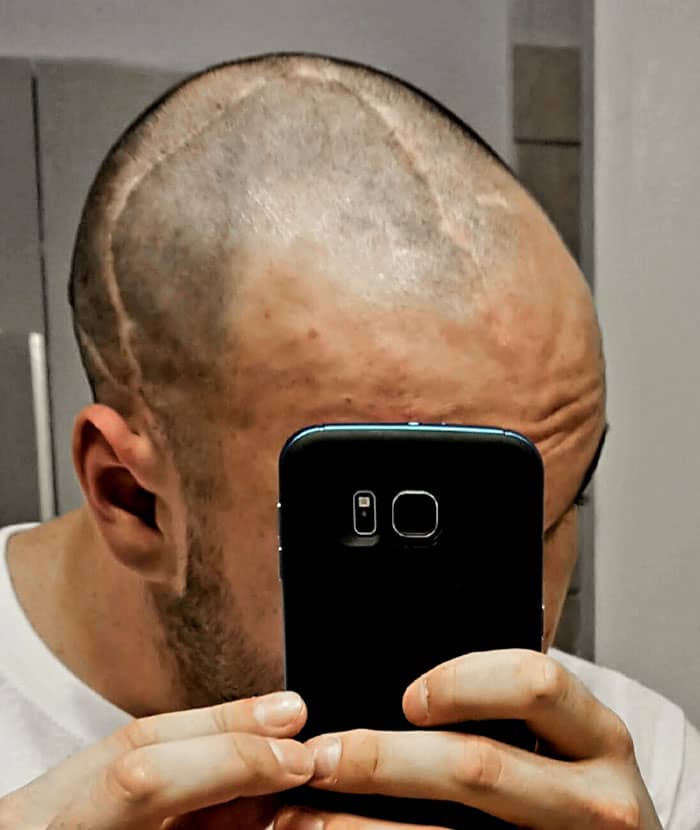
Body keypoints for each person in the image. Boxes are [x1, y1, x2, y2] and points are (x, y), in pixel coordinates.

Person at [0, 53, 697, 829]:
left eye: (552, 512)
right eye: (383, 527)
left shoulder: (637, 775)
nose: (517, 637)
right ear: (132, 499)